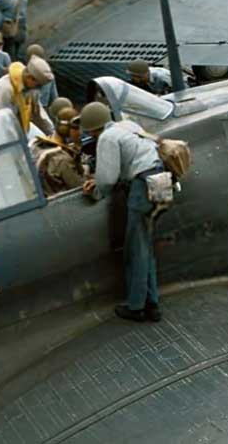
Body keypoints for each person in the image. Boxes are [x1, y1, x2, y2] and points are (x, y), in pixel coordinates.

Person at [79, 101, 165, 322]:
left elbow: (107, 179)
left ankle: (136, 307)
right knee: (145, 245)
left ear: (91, 128)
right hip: (158, 184)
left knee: (135, 250)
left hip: (141, 187)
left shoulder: (107, 138)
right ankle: (152, 303)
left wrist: (96, 191)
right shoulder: (128, 126)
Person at [0, 55, 55, 134]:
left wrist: (53, 134)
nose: (38, 89)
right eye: (38, 85)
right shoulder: (4, 90)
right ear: (30, 78)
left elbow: (39, 116)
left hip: (20, 135)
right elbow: (0, 123)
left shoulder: (30, 90)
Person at [33, 106, 85, 195]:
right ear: (66, 128)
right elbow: (80, 187)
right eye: (76, 129)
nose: (80, 133)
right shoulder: (62, 159)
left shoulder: (38, 145)